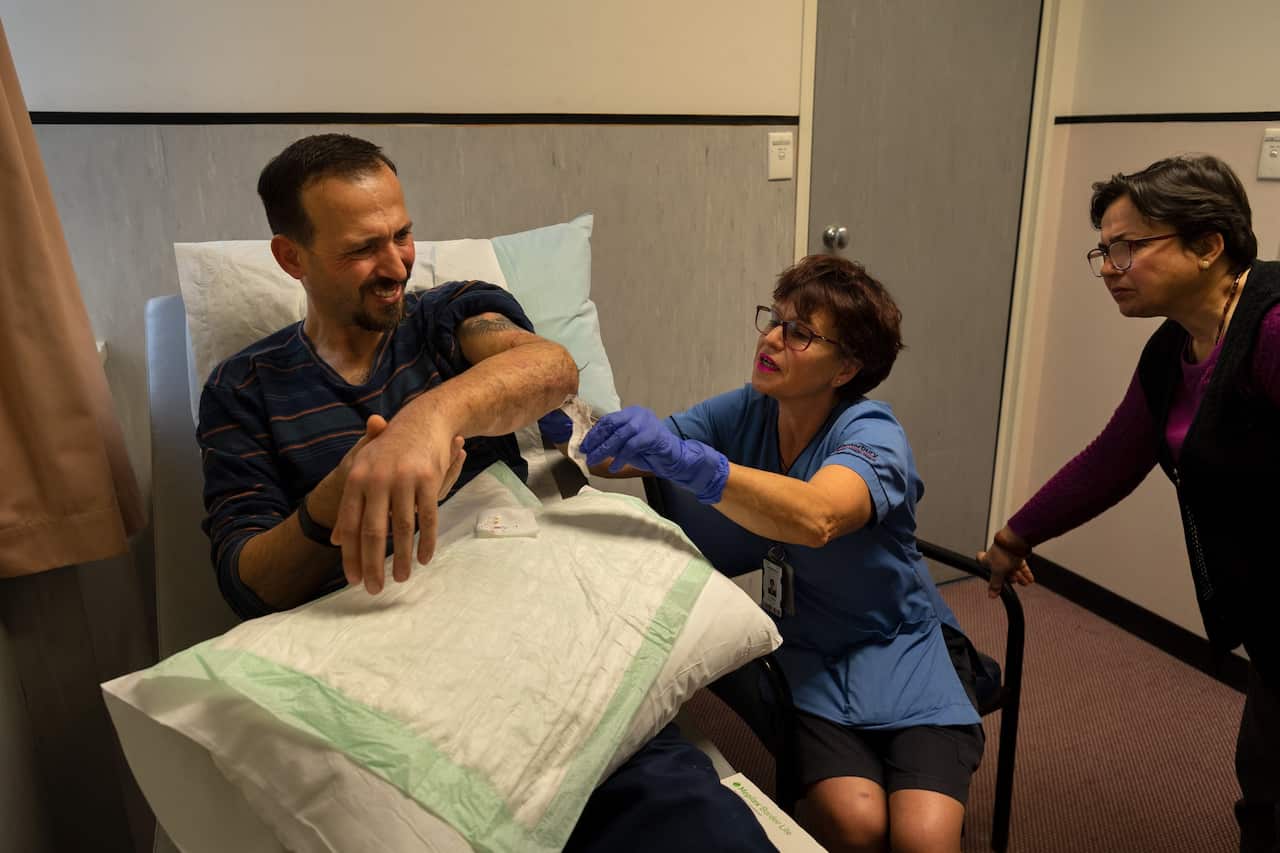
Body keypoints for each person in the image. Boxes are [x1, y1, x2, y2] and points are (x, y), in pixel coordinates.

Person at [197, 133, 775, 852]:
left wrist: (427, 421)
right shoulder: (243, 390)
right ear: (292, 258)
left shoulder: (447, 319)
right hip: (381, 668)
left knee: (690, 820)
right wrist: (342, 495)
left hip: (528, 641)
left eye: (402, 235)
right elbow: (247, 581)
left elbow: (550, 369)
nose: (394, 264)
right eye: (361, 249)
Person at [583, 254, 986, 853]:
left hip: (901, 645)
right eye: (775, 320)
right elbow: (609, 460)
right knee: (857, 825)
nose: (772, 338)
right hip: (808, 655)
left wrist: (696, 465)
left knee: (923, 838)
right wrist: (618, 437)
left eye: (800, 332)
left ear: (846, 367)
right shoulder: (748, 409)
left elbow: (818, 516)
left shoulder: (873, 433)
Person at [981, 153, 1280, 853]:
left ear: (1208, 245)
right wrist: (1015, 536)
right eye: (1104, 249)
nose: (1111, 265)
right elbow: (1114, 458)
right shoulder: (1175, 347)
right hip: (1271, 608)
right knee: (1263, 784)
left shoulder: (1269, 330)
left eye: (1128, 245)